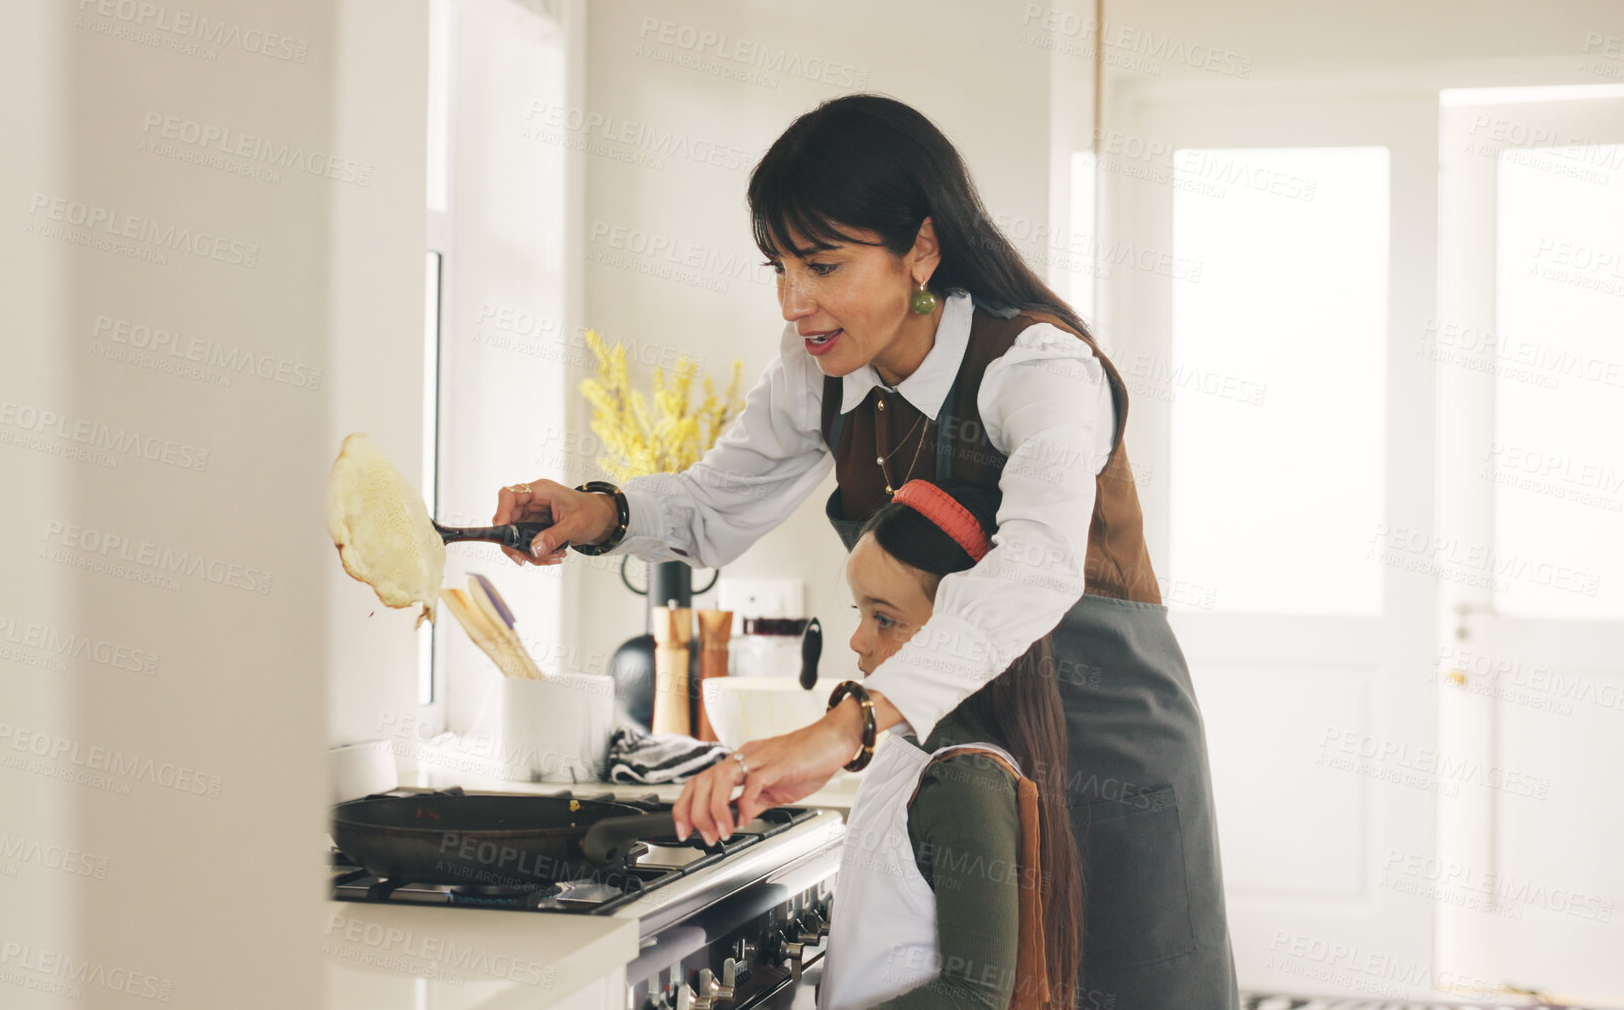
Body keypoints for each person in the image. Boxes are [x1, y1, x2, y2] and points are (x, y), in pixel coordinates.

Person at [492, 93, 1236, 1008]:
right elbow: (712, 503)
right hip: (957, 759)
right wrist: (598, 510)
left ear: (920, 250)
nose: (793, 301)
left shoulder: (1039, 369)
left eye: (822, 264)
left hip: (1103, 755)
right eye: (778, 266)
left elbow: (1035, 569)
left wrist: (849, 723)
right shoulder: (820, 370)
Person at [820, 477, 1079, 1010]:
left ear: (960, 635)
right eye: (860, 613)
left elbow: (974, 996)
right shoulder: (911, 749)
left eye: (884, 619)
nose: (857, 640)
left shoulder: (964, 781)